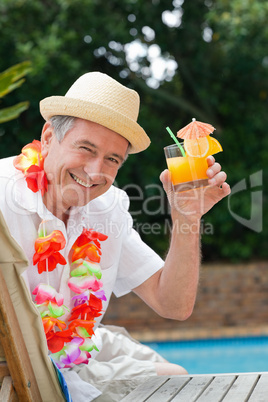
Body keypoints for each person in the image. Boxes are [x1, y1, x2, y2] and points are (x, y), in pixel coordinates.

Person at [0, 72, 230, 401]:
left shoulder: (108, 207)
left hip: (79, 350)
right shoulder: (2, 194)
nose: (95, 172)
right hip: (28, 369)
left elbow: (173, 304)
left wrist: (186, 218)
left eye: (111, 159)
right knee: (171, 384)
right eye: (85, 148)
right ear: (49, 137)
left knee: (178, 380)